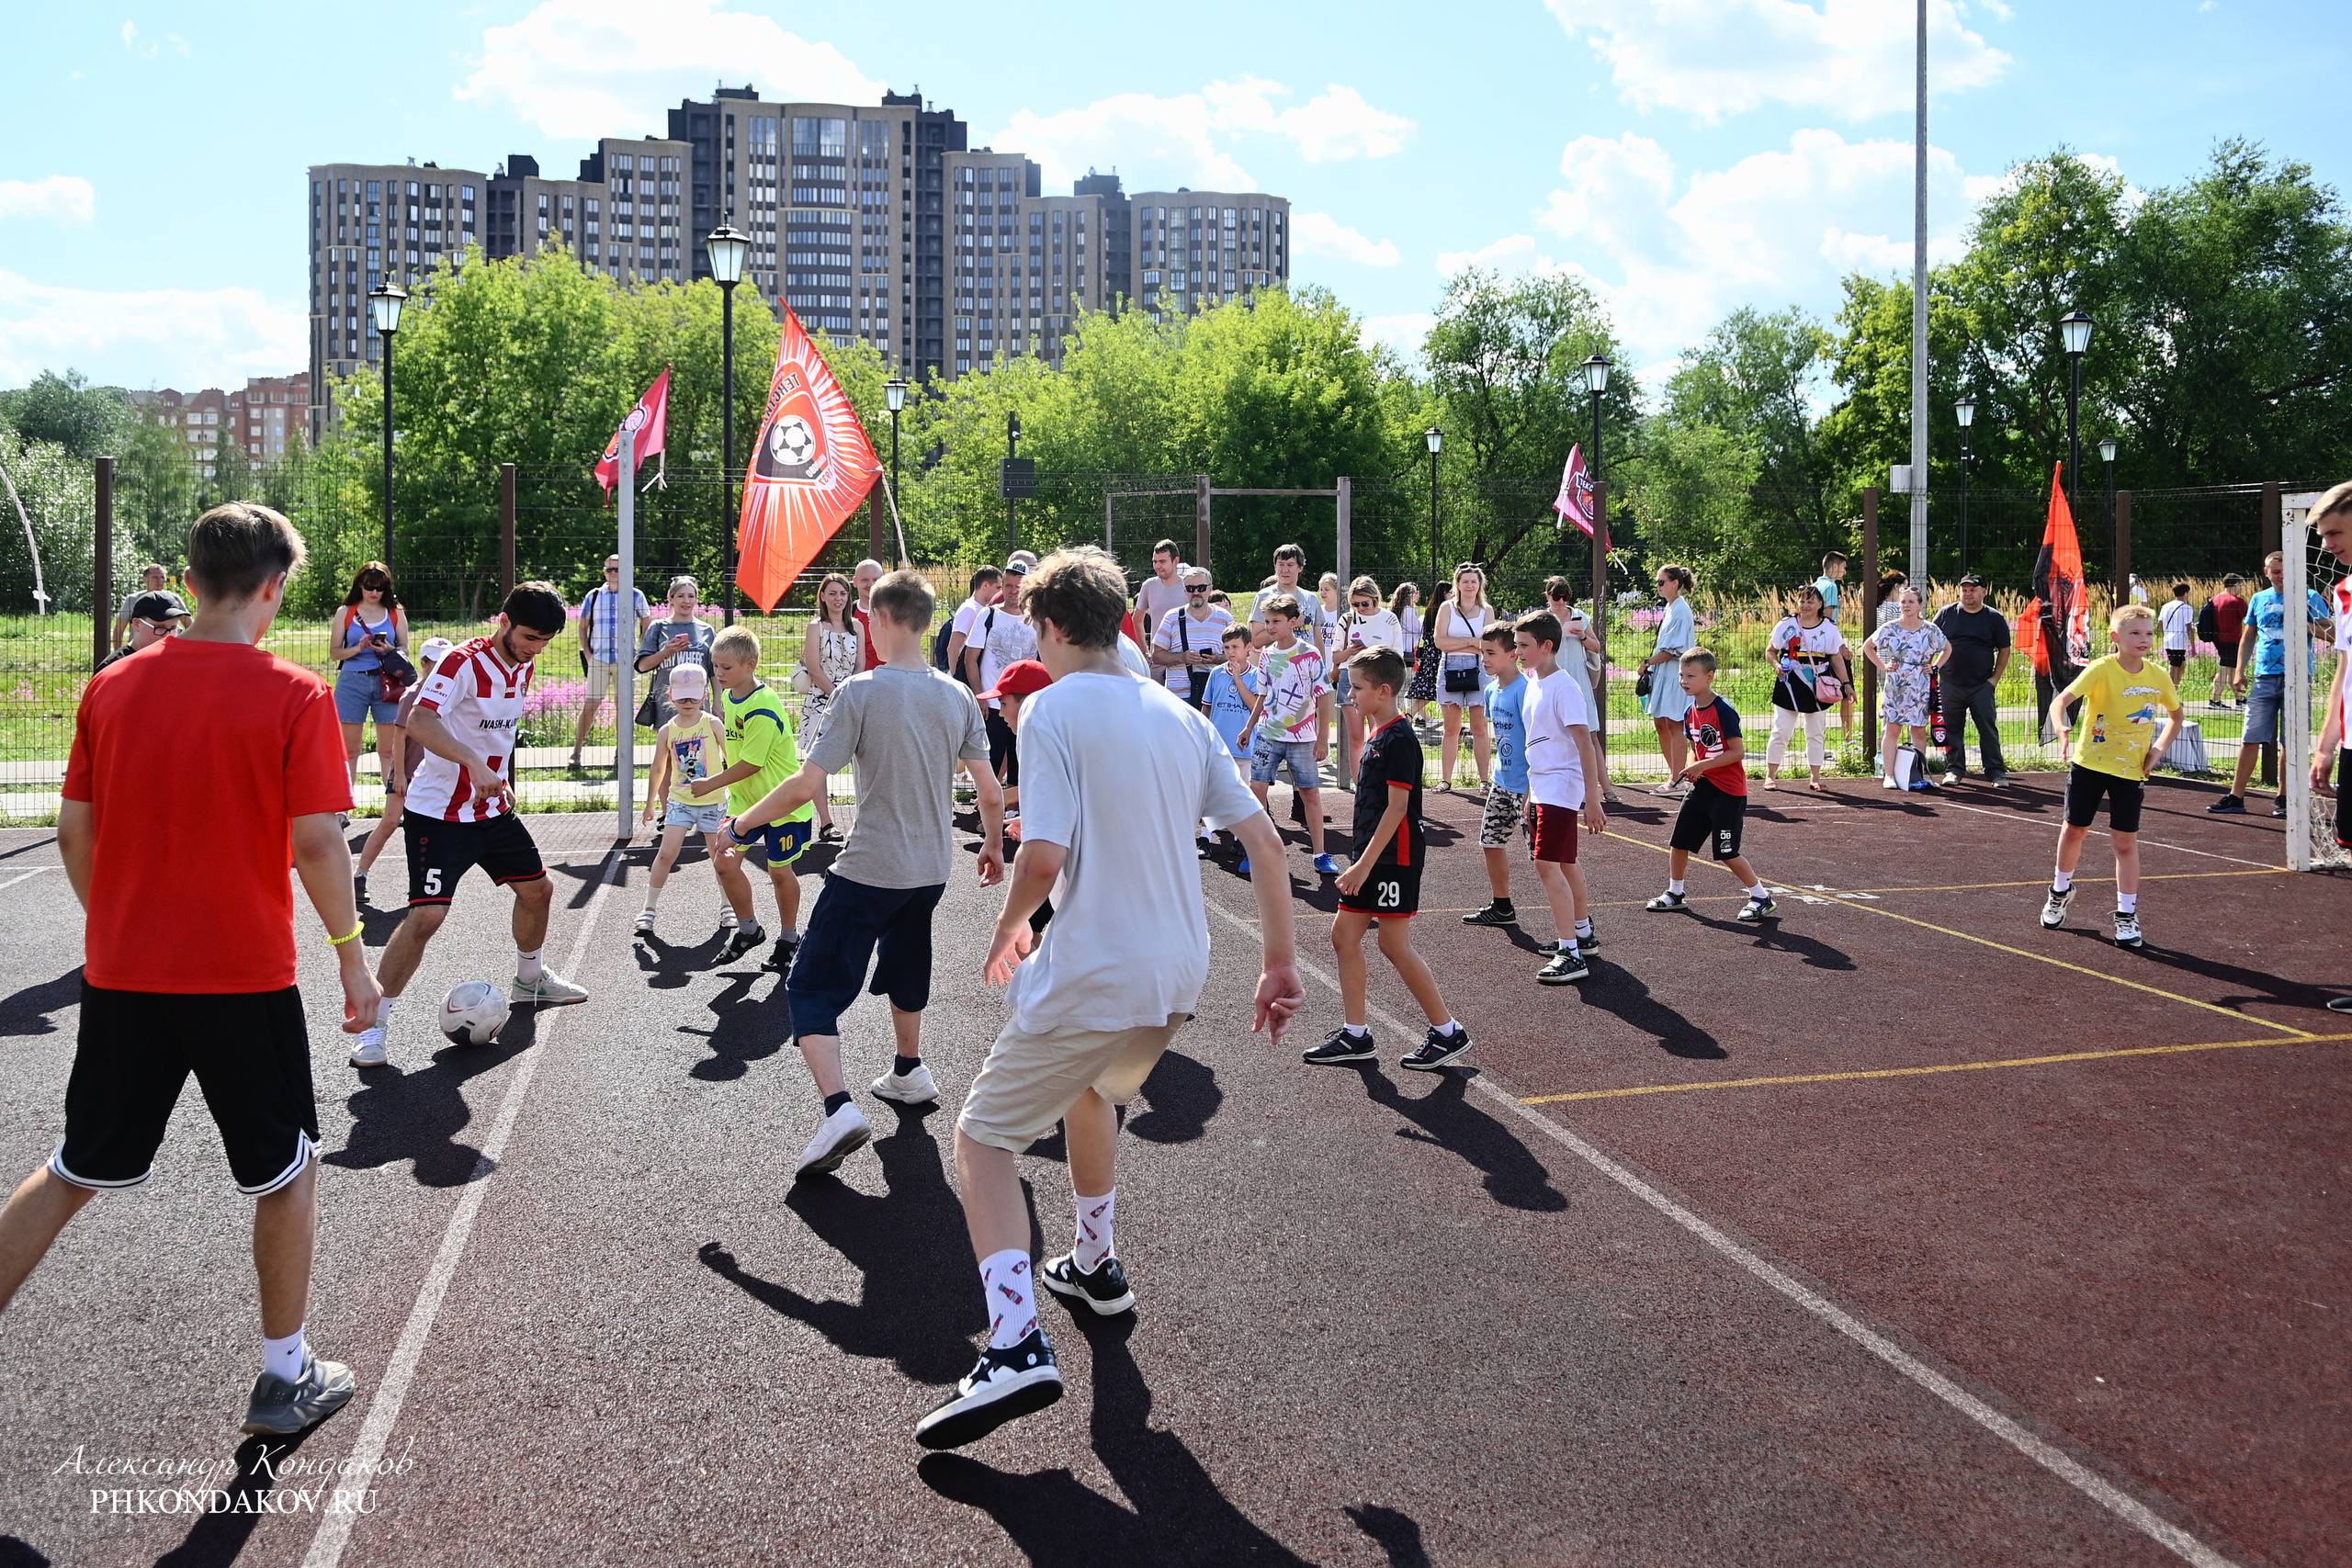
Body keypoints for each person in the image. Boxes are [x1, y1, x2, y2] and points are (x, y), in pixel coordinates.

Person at [0, 502, 379, 1437]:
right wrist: (352, 963)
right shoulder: (294, 695)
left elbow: (74, 832)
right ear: (274, 586)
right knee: (287, 1170)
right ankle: (284, 1377)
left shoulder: (112, 687)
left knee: (74, 1168)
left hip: (126, 975)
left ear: (190, 574)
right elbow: (320, 846)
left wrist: (120, 923)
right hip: (241, 980)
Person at [916, 547, 1298, 1451]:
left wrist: (1012, 925)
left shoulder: (1048, 708)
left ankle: (1013, 1343)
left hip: (1095, 968)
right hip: (1177, 975)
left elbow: (1042, 854)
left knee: (981, 1138)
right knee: (1093, 1095)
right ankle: (1093, 1262)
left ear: (1047, 628)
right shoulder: (1176, 712)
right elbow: (1267, 846)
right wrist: (1279, 964)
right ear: (1121, 618)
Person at [726, 570, 1006, 1178]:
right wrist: (991, 845)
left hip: (870, 867)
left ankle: (838, 1109)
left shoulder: (858, 691)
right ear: (929, 622)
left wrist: (740, 825)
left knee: (808, 988)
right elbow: (989, 791)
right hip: (930, 869)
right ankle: (909, 1070)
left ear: (875, 621)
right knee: (907, 960)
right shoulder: (957, 695)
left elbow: (807, 782)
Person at [355, 583, 589, 1068]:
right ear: (503, 622)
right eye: (529, 637)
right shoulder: (461, 662)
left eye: (545, 641)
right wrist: (475, 766)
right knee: (426, 918)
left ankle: (530, 981)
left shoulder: (522, 664)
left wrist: (500, 776)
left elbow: (497, 731)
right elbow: (420, 720)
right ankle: (374, 1027)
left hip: (491, 810)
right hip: (438, 813)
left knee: (538, 890)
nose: (535, 648)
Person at [1300, 645, 1476, 1066]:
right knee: (1344, 936)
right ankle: (1357, 1035)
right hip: (1372, 856)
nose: (1351, 696)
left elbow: (1398, 809)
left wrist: (1362, 865)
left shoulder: (1399, 738)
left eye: (1356, 688)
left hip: (1393, 860)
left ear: (1382, 690)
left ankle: (1447, 1031)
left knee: (1394, 945)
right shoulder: (1379, 733)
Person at [2041, 605, 2184, 949]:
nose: (2144, 639)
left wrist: (2157, 751)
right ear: (2116, 637)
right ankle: (2060, 890)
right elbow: (2061, 700)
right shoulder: (2102, 669)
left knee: (2124, 842)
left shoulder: (2158, 676)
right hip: (2089, 763)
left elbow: (2177, 718)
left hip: (2130, 771)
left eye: (2149, 633)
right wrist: (2061, 725)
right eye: (2135, 633)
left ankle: (2126, 915)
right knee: (2075, 829)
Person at [695, 626, 813, 965]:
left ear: (750, 665)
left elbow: (750, 763)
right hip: (746, 803)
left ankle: (789, 938)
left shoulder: (762, 706)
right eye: (715, 666)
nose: (718, 674)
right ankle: (749, 930)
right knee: (725, 863)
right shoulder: (731, 696)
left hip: (782, 806)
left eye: (726, 667)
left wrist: (710, 784)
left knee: (779, 872)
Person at [1646, 649, 1778, 925]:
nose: (1684, 680)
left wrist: (1702, 767)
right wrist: (1696, 768)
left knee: (1727, 852)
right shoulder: (1689, 711)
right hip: (1703, 788)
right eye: (1681, 675)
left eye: (1690, 676)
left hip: (1728, 792)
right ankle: (1675, 893)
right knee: (1679, 842)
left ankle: (1760, 896)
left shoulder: (1723, 709)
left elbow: (1737, 752)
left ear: (1709, 677)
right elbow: (1699, 748)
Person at [1515, 612, 1608, 982]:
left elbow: (1584, 743)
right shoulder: (1535, 681)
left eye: (1524, 646)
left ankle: (1569, 952)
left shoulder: (1564, 687)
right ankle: (1582, 935)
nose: (1518, 652)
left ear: (1546, 646)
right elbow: (1538, 745)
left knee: (1547, 864)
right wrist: (1529, 793)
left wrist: (1593, 795)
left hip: (1561, 787)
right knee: (1565, 863)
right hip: (1543, 785)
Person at [635, 664, 758, 939]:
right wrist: (649, 803)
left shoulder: (712, 723)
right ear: (670, 695)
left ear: (704, 694)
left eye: (693, 696)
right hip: (680, 802)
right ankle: (649, 908)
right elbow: (658, 768)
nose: (687, 702)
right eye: (681, 697)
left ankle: (727, 906)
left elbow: (732, 760)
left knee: (720, 858)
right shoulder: (667, 731)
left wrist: (741, 792)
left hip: (714, 803)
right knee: (666, 853)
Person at [2212, 550, 2331, 817]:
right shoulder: (2259, 598)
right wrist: (2240, 671)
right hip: (2264, 677)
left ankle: (2284, 797)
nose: (2281, 576)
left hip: (2299, 677)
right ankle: (2236, 796)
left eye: (2286, 571)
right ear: (2267, 573)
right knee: (2250, 736)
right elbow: (2249, 635)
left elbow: (2333, 634)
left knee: (2292, 740)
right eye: (2276, 571)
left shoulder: (2310, 597)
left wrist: (2307, 625)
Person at [1238, 593, 1338, 875]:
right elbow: (1262, 694)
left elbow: (1324, 696)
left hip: (1303, 738)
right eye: (1267, 621)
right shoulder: (1267, 654)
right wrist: (1249, 726)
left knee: (1310, 794)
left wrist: (1322, 738)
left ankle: (1320, 853)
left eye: (1276, 621)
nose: (1270, 626)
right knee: (1257, 791)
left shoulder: (1310, 654)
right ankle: (1255, 850)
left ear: (1293, 622)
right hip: (1268, 734)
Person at [2301, 482, 2352, 1012]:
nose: (2327, 544)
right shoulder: (2342, 591)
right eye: (2323, 535)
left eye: (2335, 532)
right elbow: (2343, 670)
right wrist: (2326, 743)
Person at [354, 636, 452, 906]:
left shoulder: (451, 693)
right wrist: (399, 776)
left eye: (446, 662)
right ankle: (360, 874)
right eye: (436, 663)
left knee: (430, 830)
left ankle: (422, 885)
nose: (442, 668)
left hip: (432, 776)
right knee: (389, 822)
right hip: (407, 773)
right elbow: (398, 739)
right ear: (423, 663)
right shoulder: (413, 695)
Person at [1462, 625, 1532, 931]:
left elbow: (1534, 741)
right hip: (1502, 783)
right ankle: (1502, 906)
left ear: (1512, 654)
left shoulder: (1526, 690)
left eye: (1491, 653)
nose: (1485, 659)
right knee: (1490, 842)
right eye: (1482, 652)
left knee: (1546, 860)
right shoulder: (1491, 691)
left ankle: (1576, 928)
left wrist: (1532, 789)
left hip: (1529, 787)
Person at [327, 561, 411, 800]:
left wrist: (389, 649)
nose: (374, 593)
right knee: (350, 751)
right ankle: (344, 805)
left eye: (380, 588)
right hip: (353, 682)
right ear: (360, 586)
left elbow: (405, 648)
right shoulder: (346, 613)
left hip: (388, 683)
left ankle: (393, 808)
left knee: (388, 750)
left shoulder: (395, 613)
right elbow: (335, 653)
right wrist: (357, 648)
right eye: (369, 587)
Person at [799, 571, 865, 841]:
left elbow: (860, 665)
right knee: (819, 761)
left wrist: (849, 693)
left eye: (843, 593)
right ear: (823, 597)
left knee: (861, 759)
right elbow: (813, 668)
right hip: (820, 701)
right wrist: (837, 694)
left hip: (851, 699)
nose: (838, 598)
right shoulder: (815, 627)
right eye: (833, 593)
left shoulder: (857, 627)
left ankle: (863, 820)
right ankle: (826, 823)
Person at [571, 556, 651, 769]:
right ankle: (576, 753)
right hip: (600, 658)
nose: (613, 572)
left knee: (623, 708)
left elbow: (647, 624)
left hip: (626, 661)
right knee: (591, 705)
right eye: (609, 569)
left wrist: (641, 651)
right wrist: (588, 653)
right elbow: (583, 626)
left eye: (617, 569)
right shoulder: (594, 595)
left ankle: (621, 755)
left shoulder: (636, 595)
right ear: (604, 572)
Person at [1865, 585, 1951, 788]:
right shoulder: (1890, 628)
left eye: (1911, 601)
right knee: (1892, 729)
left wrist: (1935, 667)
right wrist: (1883, 666)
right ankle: (1889, 775)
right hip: (1896, 684)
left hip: (1920, 684)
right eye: (1903, 601)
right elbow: (1868, 646)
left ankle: (1916, 774)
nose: (1906, 605)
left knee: (1919, 731)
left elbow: (1947, 648)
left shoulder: (1930, 629)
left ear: (1920, 605)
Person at [1764, 583, 1846, 792]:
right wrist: (1776, 666)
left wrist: (1847, 684)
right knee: (1781, 730)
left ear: (1820, 604)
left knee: (1816, 732)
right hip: (1789, 682)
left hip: (1817, 683)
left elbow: (1836, 657)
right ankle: (1770, 775)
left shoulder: (1829, 627)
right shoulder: (1786, 625)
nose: (1805, 604)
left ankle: (1815, 777)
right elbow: (1770, 651)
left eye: (1810, 601)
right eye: (1802, 600)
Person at [1934, 573, 2012, 788]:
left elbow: (2005, 650)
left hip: (1981, 685)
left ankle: (1996, 772)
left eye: (1973, 589)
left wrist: (1993, 680)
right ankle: (1955, 770)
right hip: (1950, 683)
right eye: (1964, 589)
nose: (1968, 593)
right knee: (1952, 729)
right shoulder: (1947, 614)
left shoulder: (1994, 618)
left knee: (1987, 728)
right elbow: (1929, 640)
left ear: (1984, 592)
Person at [973, 562, 1040, 790]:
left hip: (1024, 706)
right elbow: (970, 658)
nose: (1013, 591)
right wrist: (979, 696)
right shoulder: (988, 615)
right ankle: (983, 812)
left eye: (1019, 586)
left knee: (1020, 763)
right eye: (1008, 585)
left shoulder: (1037, 619)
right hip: (993, 703)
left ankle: (1013, 813)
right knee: (990, 761)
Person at [1431, 563, 1495, 792]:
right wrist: (1470, 642)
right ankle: (1446, 780)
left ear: (1480, 585)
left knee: (1480, 727)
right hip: (1450, 667)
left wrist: (1462, 643)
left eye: (1474, 581)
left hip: (1480, 669)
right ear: (1457, 583)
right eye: (1465, 581)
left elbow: (1487, 644)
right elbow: (1440, 642)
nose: (1469, 585)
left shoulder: (1487, 610)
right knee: (1452, 728)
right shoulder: (1447, 608)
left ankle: (1484, 781)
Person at [1339, 576, 1405, 790]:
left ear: (1375, 599)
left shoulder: (1389, 619)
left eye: (1364, 603)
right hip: (1351, 678)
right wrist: (1350, 652)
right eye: (1355, 604)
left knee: (1380, 734)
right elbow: (1335, 657)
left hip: (1379, 681)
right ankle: (1362, 786)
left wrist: (1373, 654)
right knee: (1356, 738)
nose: (1360, 608)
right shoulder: (1347, 619)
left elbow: (1398, 655)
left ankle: (1382, 781)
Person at [632, 574, 717, 730]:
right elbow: (642, 666)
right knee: (669, 751)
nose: (686, 601)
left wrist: (718, 703)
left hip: (699, 703)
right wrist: (666, 652)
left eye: (691, 596)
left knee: (700, 750)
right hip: (668, 704)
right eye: (681, 596)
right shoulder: (658, 627)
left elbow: (714, 672)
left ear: (697, 598)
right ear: (670, 598)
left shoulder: (706, 630)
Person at [1641, 564, 1697, 795]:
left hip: (1676, 673)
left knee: (1675, 724)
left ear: (1675, 584)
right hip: (1665, 673)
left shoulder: (1681, 610)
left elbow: (1674, 650)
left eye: (1661, 582)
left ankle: (1678, 778)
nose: (1658, 586)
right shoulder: (1671, 607)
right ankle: (1677, 774)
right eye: (1657, 581)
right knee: (1661, 723)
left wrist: (1648, 662)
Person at [1152, 566, 1230, 709]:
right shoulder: (1172, 617)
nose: (1195, 592)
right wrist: (1183, 657)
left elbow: (1239, 655)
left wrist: (1217, 659)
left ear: (1210, 589)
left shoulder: (1224, 618)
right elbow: (1156, 656)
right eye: (1190, 588)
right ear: (1184, 590)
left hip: (1216, 694)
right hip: (1179, 697)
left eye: (1201, 588)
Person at [1202, 625, 1261, 787]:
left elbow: (1255, 706)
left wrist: (1238, 679)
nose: (1230, 651)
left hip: (1244, 749)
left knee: (1244, 793)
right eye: (1226, 647)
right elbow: (1207, 707)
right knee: (1219, 791)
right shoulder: (1216, 673)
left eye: (1235, 646)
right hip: (1219, 746)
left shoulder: (1255, 674)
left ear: (1248, 647)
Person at [95, 588, 190, 671]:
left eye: (173, 628)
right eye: (160, 628)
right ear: (137, 624)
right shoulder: (113, 668)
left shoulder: (178, 664)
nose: (167, 636)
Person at [945, 566, 1003, 690]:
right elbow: (953, 649)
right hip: (964, 682)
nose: (1001, 592)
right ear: (985, 585)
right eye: (998, 587)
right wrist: (959, 682)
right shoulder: (970, 610)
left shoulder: (983, 610)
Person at [1815, 551, 1853, 735]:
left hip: (1816, 646)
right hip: (1830, 646)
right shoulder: (1831, 586)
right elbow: (1829, 618)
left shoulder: (1815, 586)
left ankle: (1818, 739)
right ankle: (1848, 738)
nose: (1844, 572)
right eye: (1844, 568)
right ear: (1835, 566)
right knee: (1847, 693)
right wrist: (1841, 647)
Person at [1406, 580, 1446, 733]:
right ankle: (1409, 717)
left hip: (1429, 654)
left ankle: (1416, 718)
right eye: (1450, 592)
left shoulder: (1430, 610)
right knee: (1430, 690)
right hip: (1436, 655)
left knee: (1425, 690)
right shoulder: (1441, 611)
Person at [1136, 539, 1190, 649]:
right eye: (1155, 562)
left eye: (1162, 562)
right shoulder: (1149, 586)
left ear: (1175, 561)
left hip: (1183, 656)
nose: (1157, 566)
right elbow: (1137, 620)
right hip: (1157, 658)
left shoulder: (1189, 587)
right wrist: (1145, 651)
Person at [2206, 574, 2249, 706]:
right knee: (2225, 669)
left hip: (2219, 638)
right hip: (2233, 639)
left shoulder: (2215, 599)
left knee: (2232, 669)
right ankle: (2215, 699)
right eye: (2241, 585)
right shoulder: (2237, 601)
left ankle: (2240, 698)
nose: (2242, 588)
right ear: (2235, 585)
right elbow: (2249, 619)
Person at [109, 562, 171, 650]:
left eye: (162, 577)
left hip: (164, 650)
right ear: (145, 579)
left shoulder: (173, 599)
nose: (159, 581)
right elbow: (119, 630)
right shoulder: (132, 599)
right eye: (155, 577)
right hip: (137, 651)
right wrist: (119, 655)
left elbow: (189, 624)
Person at [849, 558, 887, 672]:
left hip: (890, 679)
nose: (871, 584)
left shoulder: (895, 612)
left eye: (875, 579)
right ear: (855, 582)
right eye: (865, 580)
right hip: (858, 680)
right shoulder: (847, 613)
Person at [2158, 581, 2196, 682]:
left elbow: (2160, 624)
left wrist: (2165, 635)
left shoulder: (2165, 606)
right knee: (2174, 666)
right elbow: (2189, 628)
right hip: (2179, 641)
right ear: (2186, 593)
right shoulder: (2187, 608)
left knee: (2181, 664)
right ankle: (2171, 689)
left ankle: (2175, 687)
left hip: (2168, 639)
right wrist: (2193, 646)